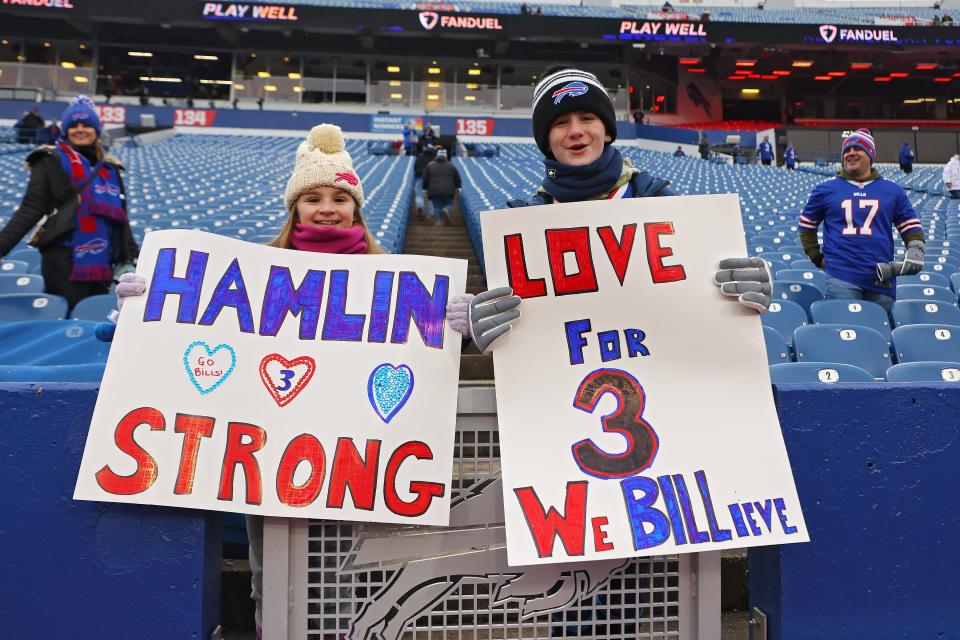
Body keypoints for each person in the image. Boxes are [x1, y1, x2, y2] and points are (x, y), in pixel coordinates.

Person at [107, 123, 472, 640]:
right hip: (268, 455)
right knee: (268, 577)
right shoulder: (257, 268)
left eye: (341, 197)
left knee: (346, 582)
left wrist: (454, 325)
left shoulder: (391, 275)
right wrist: (141, 311)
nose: (328, 208)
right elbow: (184, 340)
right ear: (294, 208)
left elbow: (425, 362)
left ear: (357, 209)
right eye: (314, 198)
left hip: (354, 454)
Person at [445, 66, 771, 352]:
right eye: (560, 122)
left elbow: (698, 297)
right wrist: (478, 329)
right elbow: (521, 327)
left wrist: (741, 290)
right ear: (546, 139)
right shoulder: (521, 223)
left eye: (588, 118)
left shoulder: (660, 200)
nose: (576, 130)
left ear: (607, 130)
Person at [0, 96, 138, 310]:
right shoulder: (49, 159)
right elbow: (31, 207)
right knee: (67, 314)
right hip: (63, 259)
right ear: (65, 130)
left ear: (97, 130)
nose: (80, 129)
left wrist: (131, 257)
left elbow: (121, 218)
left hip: (102, 259)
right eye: (74, 125)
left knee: (93, 315)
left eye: (87, 125)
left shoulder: (110, 169)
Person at [798, 129, 925, 312]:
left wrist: (916, 249)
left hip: (882, 277)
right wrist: (817, 257)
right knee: (846, 331)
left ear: (870, 154)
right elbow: (806, 225)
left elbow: (910, 225)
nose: (851, 153)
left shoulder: (893, 190)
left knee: (879, 332)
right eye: (847, 150)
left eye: (858, 148)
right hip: (842, 277)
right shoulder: (825, 189)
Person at [422, 148, 461, 225]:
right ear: (446, 156)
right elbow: (457, 178)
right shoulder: (451, 166)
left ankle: (438, 221)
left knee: (436, 206)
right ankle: (446, 209)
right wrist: (458, 187)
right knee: (449, 204)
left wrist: (425, 188)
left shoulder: (430, 165)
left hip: (433, 190)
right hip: (448, 190)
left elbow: (425, 178)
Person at [413, 143, 437, 220]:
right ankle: (431, 213)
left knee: (419, 195)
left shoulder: (420, 157)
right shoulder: (435, 159)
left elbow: (415, 167)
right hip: (431, 179)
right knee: (432, 197)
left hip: (419, 178)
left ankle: (420, 206)